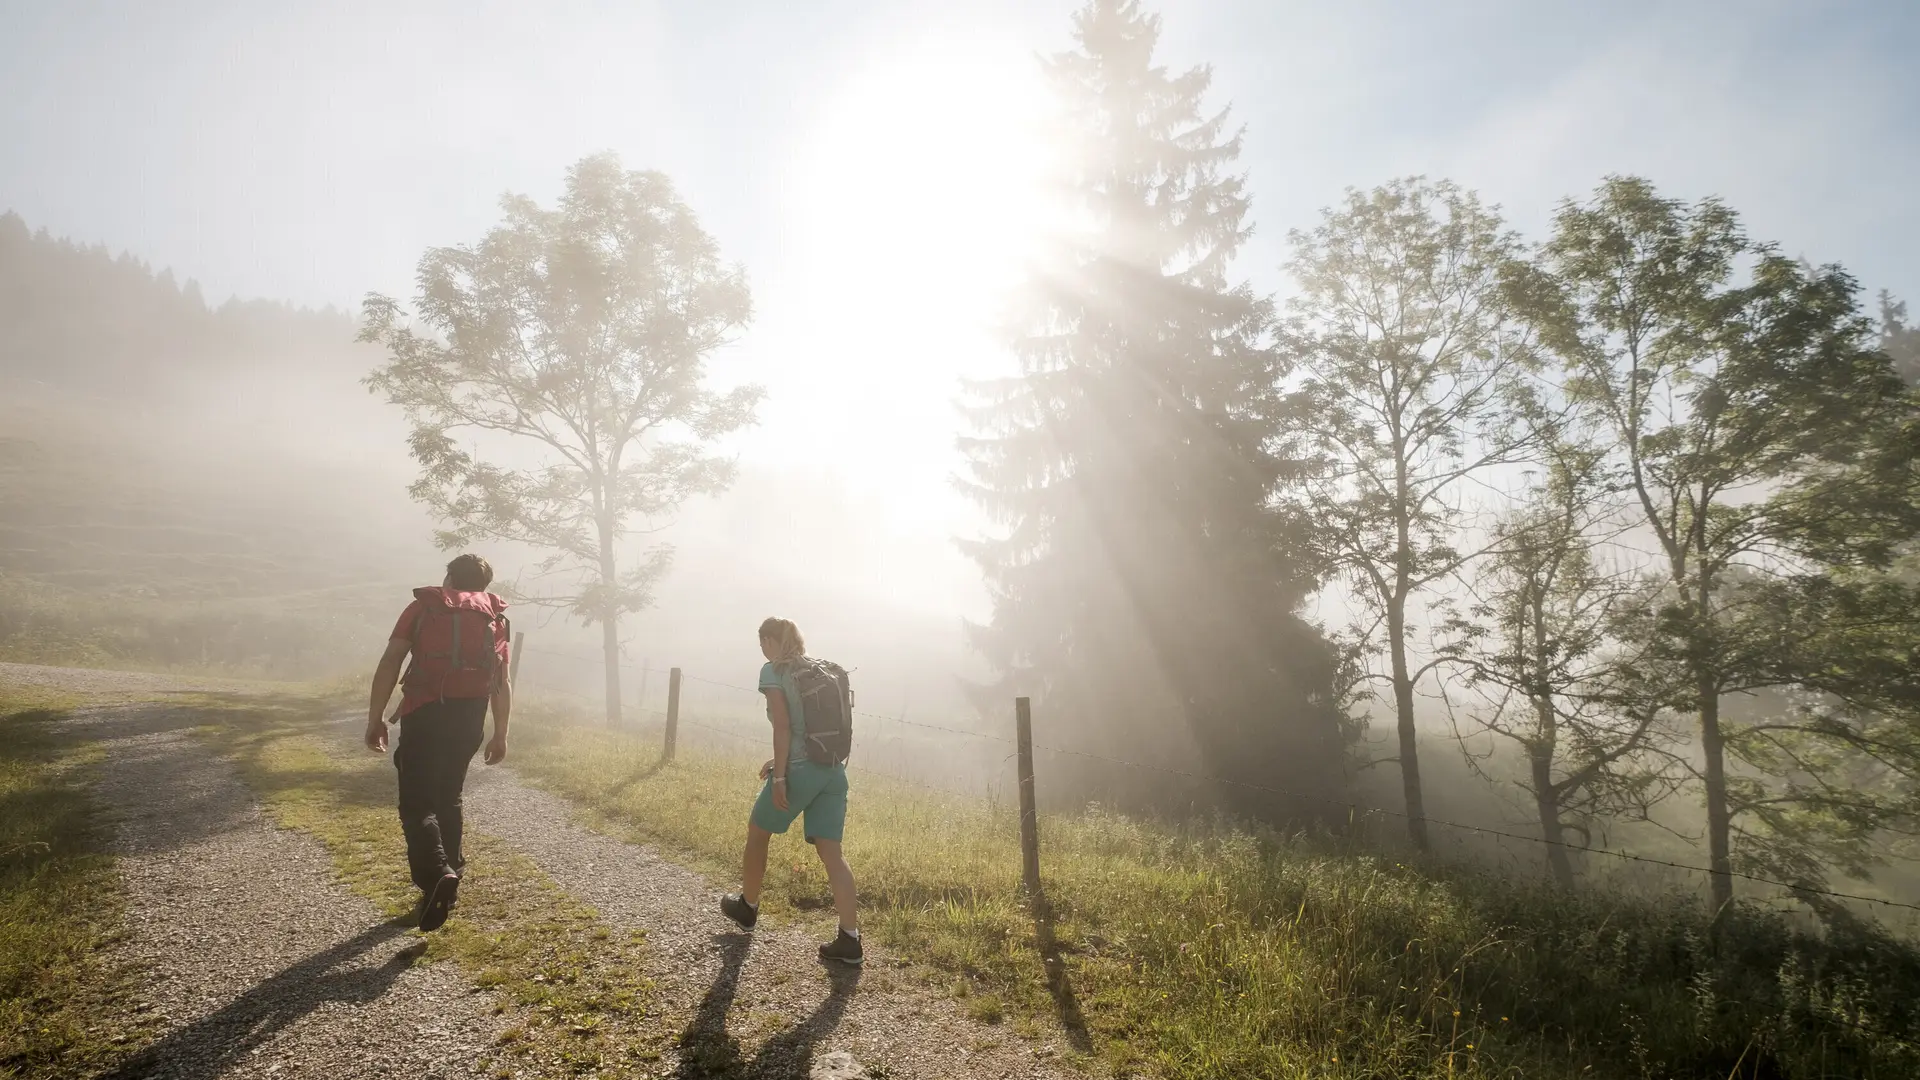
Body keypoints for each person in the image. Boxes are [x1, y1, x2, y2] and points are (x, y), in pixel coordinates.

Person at [364, 553, 512, 932]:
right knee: (449, 796)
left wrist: (376, 717)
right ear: (484, 586)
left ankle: (436, 875)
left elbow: (391, 660)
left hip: (424, 712)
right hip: (470, 717)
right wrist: (501, 733)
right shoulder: (494, 618)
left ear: (448, 579)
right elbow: (502, 682)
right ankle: (450, 880)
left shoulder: (424, 608)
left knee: (417, 802)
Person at [720, 617, 862, 965]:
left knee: (758, 831)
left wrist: (781, 776)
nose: (762, 650)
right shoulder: (820, 669)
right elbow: (805, 728)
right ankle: (850, 939)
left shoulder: (773, 671)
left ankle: (747, 907)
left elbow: (782, 726)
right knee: (832, 852)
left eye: (762, 644)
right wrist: (778, 760)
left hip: (799, 771)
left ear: (770, 641)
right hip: (832, 771)